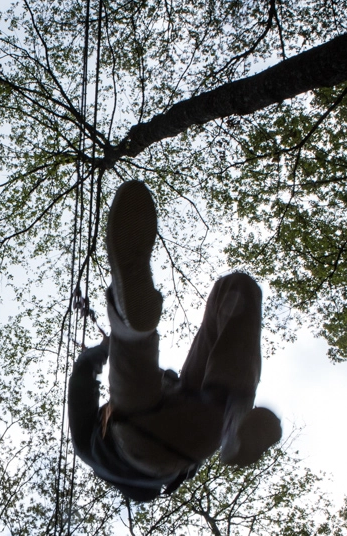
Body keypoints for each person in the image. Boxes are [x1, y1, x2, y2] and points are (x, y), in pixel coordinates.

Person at [68, 180, 282, 501]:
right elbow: (81, 380)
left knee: (234, 289)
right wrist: (99, 352)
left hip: (186, 443)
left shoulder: (98, 454)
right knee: (132, 364)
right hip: (139, 438)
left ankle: (231, 418)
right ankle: (129, 326)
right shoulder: (90, 445)